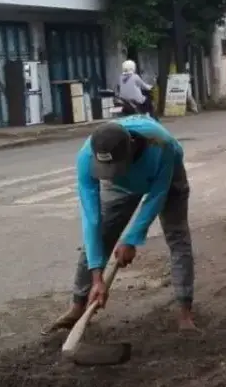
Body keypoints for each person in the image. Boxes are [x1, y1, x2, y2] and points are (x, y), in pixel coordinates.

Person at [49, 117, 196, 333]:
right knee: (101, 235)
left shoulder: (161, 146)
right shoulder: (86, 157)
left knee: (177, 237)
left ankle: (185, 312)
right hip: (122, 187)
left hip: (167, 178)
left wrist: (131, 239)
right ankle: (78, 306)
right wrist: (97, 278)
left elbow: (157, 196)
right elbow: (92, 219)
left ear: (131, 150)